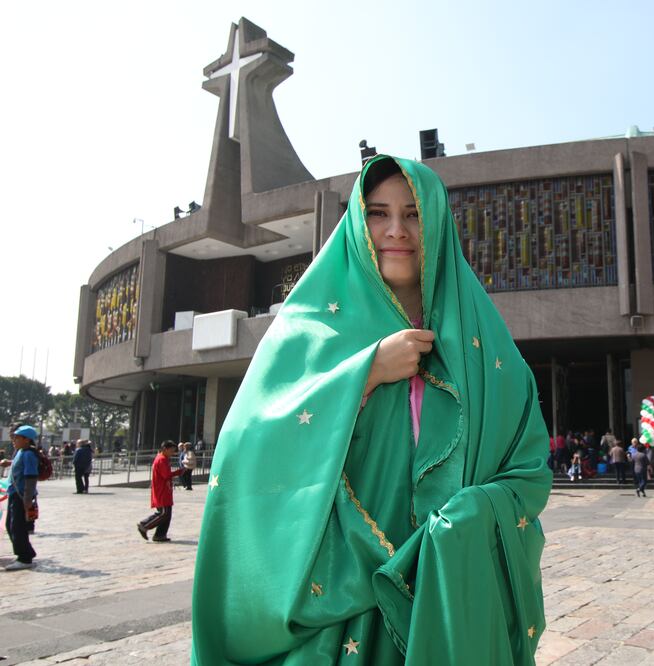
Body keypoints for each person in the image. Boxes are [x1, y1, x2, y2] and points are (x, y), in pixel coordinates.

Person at [191, 156, 552, 664]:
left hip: (448, 594)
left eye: (414, 214)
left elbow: (529, 468)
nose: (397, 231)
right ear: (358, 224)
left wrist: (470, 518)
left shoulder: (485, 344)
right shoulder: (308, 328)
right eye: (379, 213)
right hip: (344, 603)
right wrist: (365, 374)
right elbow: (247, 443)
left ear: (438, 224)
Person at [1, 425, 40, 570]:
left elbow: (31, 477)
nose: (14, 440)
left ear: (26, 439)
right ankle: (27, 553)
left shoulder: (29, 454)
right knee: (10, 526)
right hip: (14, 494)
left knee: (17, 527)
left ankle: (25, 558)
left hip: (21, 496)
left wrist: (27, 499)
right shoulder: (21, 452)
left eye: (17, 438)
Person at [137, 440, 185, 542]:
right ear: (165, 449)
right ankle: (144, 525)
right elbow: (166, 475)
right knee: (164, 513)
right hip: (161, 490)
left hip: (165, 490)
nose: (173, 453)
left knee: (167, 514)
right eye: (171, 450)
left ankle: (160, 535)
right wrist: (179, 471)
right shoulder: (162, 459)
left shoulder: (164, 459)